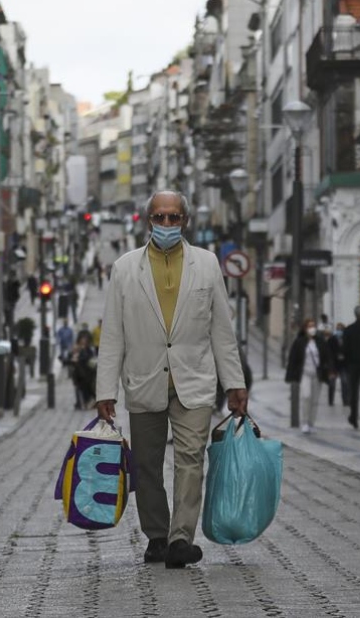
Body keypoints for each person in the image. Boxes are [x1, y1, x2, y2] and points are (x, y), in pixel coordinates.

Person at [96, 190, 246, 570]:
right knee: (146, 465)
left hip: (193, 380)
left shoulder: (207, 264)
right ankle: (157, 535)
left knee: (190, 458)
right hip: (144, 380)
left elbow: (222, 332)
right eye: (159, 217)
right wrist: (104, 391)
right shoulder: (125, 268)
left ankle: (182, 539)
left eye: (174, 217)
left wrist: (234, 384)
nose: (166, 224)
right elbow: (112, 333)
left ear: (185, 221)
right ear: (148, 221)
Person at [285, 318, 330, 434]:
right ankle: (304, 422)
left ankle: (311, 423)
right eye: (310, 326)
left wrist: (330, 370)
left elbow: (326, 357)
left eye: (313, 326)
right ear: (305, 328)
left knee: (315, 400)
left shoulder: (320, 342)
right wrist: (290, 375)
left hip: (317, 375)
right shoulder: (299, 342)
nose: (312, 328)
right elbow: (293, 359)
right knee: (306, 396)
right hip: (305, 374)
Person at [70, 332, 97, 409]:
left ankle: (88, 402)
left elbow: (90, 358)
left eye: (85, 339)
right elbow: (71, 358)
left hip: (88, 373)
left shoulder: (89, 349)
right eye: (82, 339)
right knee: (79, 388)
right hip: (78, 373)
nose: (83, 341)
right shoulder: (77, 348)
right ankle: (80, 403)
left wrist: (78, 359)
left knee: (88, 388)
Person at [329, 322, 349, 407]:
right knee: (332, 383)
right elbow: (329, 351)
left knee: (344, 382)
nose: (339, 331)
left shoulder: (347, 339)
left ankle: (345, 400)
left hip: (344, 365)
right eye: (338, 329)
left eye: (341, 329)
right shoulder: (332, 339)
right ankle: (331, 400)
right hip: (334, 364)